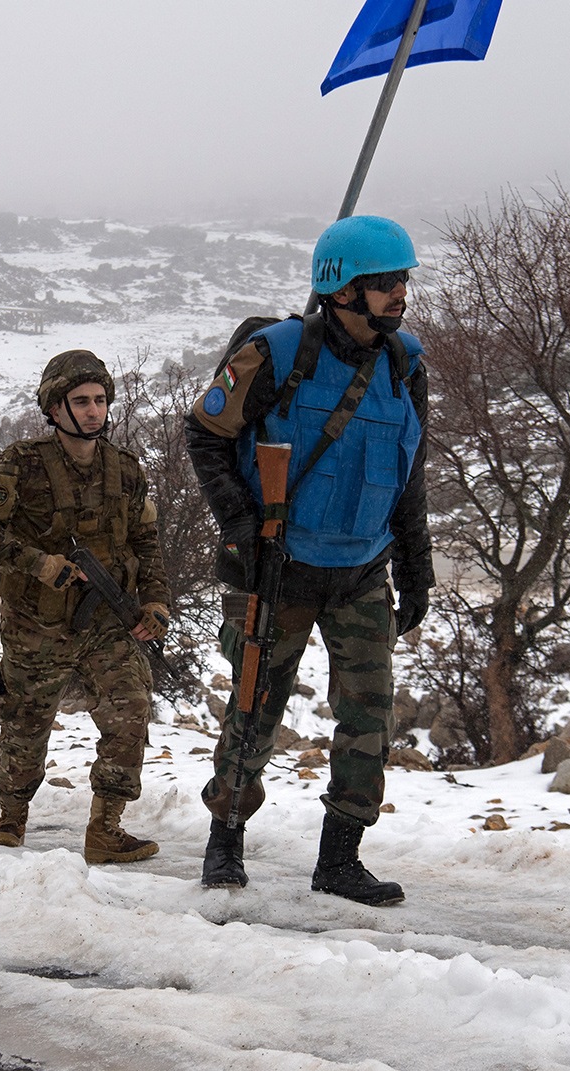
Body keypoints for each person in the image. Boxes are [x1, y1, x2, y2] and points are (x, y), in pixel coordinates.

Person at [185, 214, 432, 906]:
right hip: (279, 567)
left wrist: (417, 569)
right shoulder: (276, 354)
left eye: (404, 280)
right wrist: (241, 524)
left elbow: (411, 476)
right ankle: (225, 838)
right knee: (256, 705)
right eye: (385, 282)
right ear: (342, 289)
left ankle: (340, 858)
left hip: (361, 572)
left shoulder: (405, 365)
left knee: (370, 714)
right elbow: (204, 433)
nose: (400, 293)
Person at [0, 351, 171, 863]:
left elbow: (146, 544)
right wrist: (38, 564)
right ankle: (11, 819)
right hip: (38, 624)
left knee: (131, 715)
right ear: (54, 408)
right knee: (27, 722)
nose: (94, 410)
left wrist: (157, 603)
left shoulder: (125, 469)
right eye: (81, 401)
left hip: (108, 623)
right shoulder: (21, 463)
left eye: (100, 400)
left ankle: (106, 830)